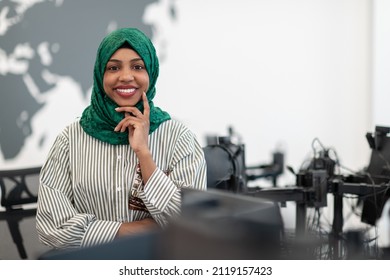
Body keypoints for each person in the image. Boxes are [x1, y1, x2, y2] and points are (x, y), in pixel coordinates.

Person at [36, 28, 207, 249]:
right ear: (100, 74)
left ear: (151, 73)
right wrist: (133, 230)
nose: (126, 76)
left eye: (137, 66)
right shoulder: (69, 141)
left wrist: (144, 155)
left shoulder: (179, 139)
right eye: (113, 67)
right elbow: (51, 228)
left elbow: (191, 224)